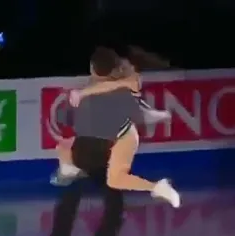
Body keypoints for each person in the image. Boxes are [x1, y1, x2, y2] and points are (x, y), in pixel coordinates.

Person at [48, 47, 179, 236]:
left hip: (81, 153)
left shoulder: (83, 91)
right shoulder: (122, 93)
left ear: (92, 68)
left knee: (67, 207)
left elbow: (63, 118)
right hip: (105, 156)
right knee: (114, 207)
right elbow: (141, 117)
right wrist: (162, 115)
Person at [51, 52, 179, 208]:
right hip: (108, 136)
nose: (124, 67)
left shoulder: (131, 80)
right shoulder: (104, 84)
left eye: (127, 64)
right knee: (113, 179)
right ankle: (157, 187)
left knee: (114, 178)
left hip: (125, 135)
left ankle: (158, 187)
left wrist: (82, 93)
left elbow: (113, 89)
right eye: (122, 64)